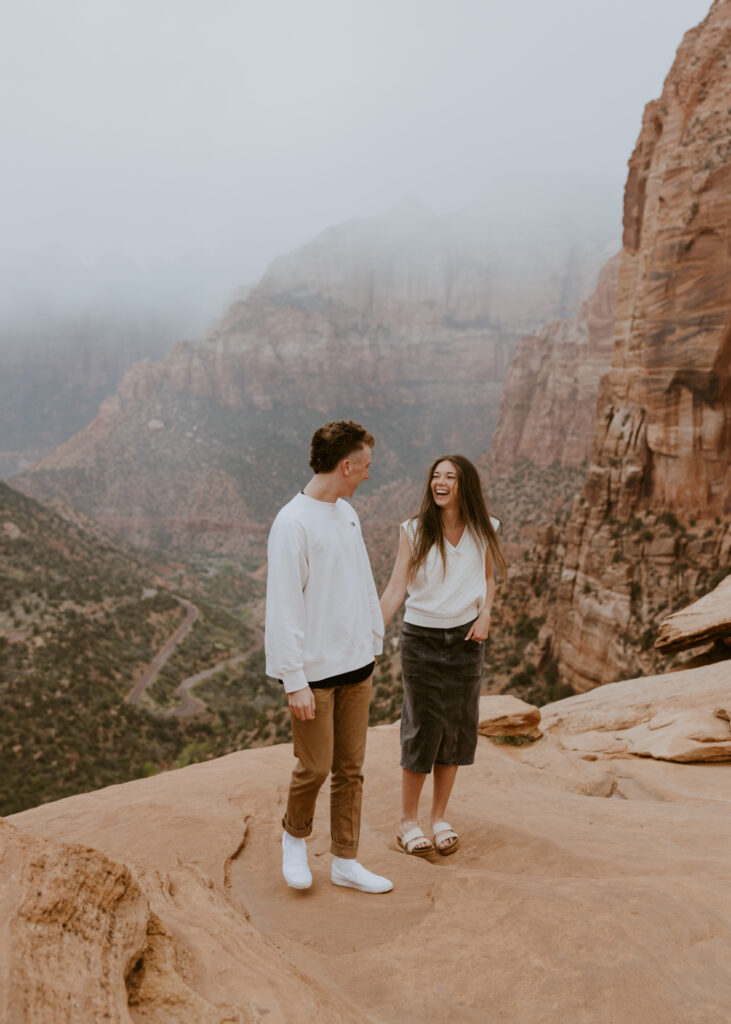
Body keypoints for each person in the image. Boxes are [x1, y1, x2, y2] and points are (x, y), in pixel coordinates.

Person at [265, 420, 393, 894]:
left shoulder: (346, 513)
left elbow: (360, 584)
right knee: (315, 767)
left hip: (357, 666)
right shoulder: (292, 524)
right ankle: (294, 840)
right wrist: (294, 679)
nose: (367, 475)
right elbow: (283, 608)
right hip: (314, 674)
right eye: (364, 467)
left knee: (351, 770)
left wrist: (372, 643)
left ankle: (345, 860)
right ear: (345, 465)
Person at [379, 454, 506, 857]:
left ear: (463, 485)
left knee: (455, 726)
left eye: (450, 476)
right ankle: (407, 823)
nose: (440, 482)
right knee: (422, 726)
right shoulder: (413, 531)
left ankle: (438, 818)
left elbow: (488, 577)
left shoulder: (486, 528)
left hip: (468, 640)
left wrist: (486, 613)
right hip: (421, 640)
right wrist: (371, 631)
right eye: (436, 475)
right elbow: (397, 585)